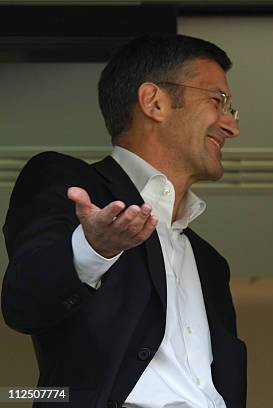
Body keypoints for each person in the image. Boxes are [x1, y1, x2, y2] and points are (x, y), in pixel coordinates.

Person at [2, 35, 246, 408]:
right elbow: (24, 302)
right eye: (218, 101)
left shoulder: (211, 263)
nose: (231, 126)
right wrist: (93, 248)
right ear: (154, 102)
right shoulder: (69, 183)